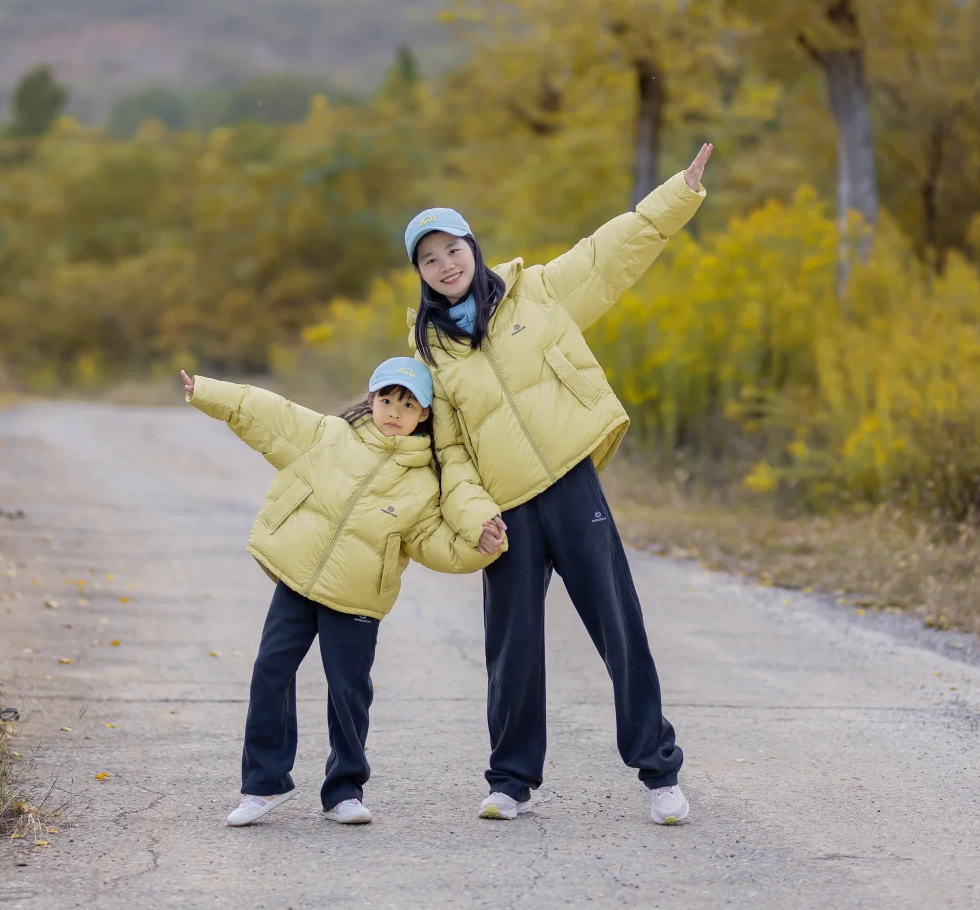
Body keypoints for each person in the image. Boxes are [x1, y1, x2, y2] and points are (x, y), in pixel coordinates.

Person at [404, 145, 712, 825]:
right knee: (510, 647)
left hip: (572, 487)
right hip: (505, 511)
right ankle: (510, 781)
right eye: (430, 259)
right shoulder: (431, 351)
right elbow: (449, 453)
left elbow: (612, 251)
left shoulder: (536, 291)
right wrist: (473, 512)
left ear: (472, 248)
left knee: (618, 626)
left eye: (452, 249)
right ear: (421, 274)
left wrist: (679, 193)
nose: (445, 264)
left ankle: (660, 772)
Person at [181, 357, 505, 828]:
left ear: (425, 415)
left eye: (408, 404)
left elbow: (433, 541)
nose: (394, 410)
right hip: (298, 580)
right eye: (386, 399)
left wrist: (482, 545)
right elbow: (270, 413)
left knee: (348, 691)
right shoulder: (329, 436)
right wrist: (209, 392)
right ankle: (263, 785)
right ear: (371, 400)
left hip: (356, 599)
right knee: (270, 672)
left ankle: (344, 791)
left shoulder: (424, 482)